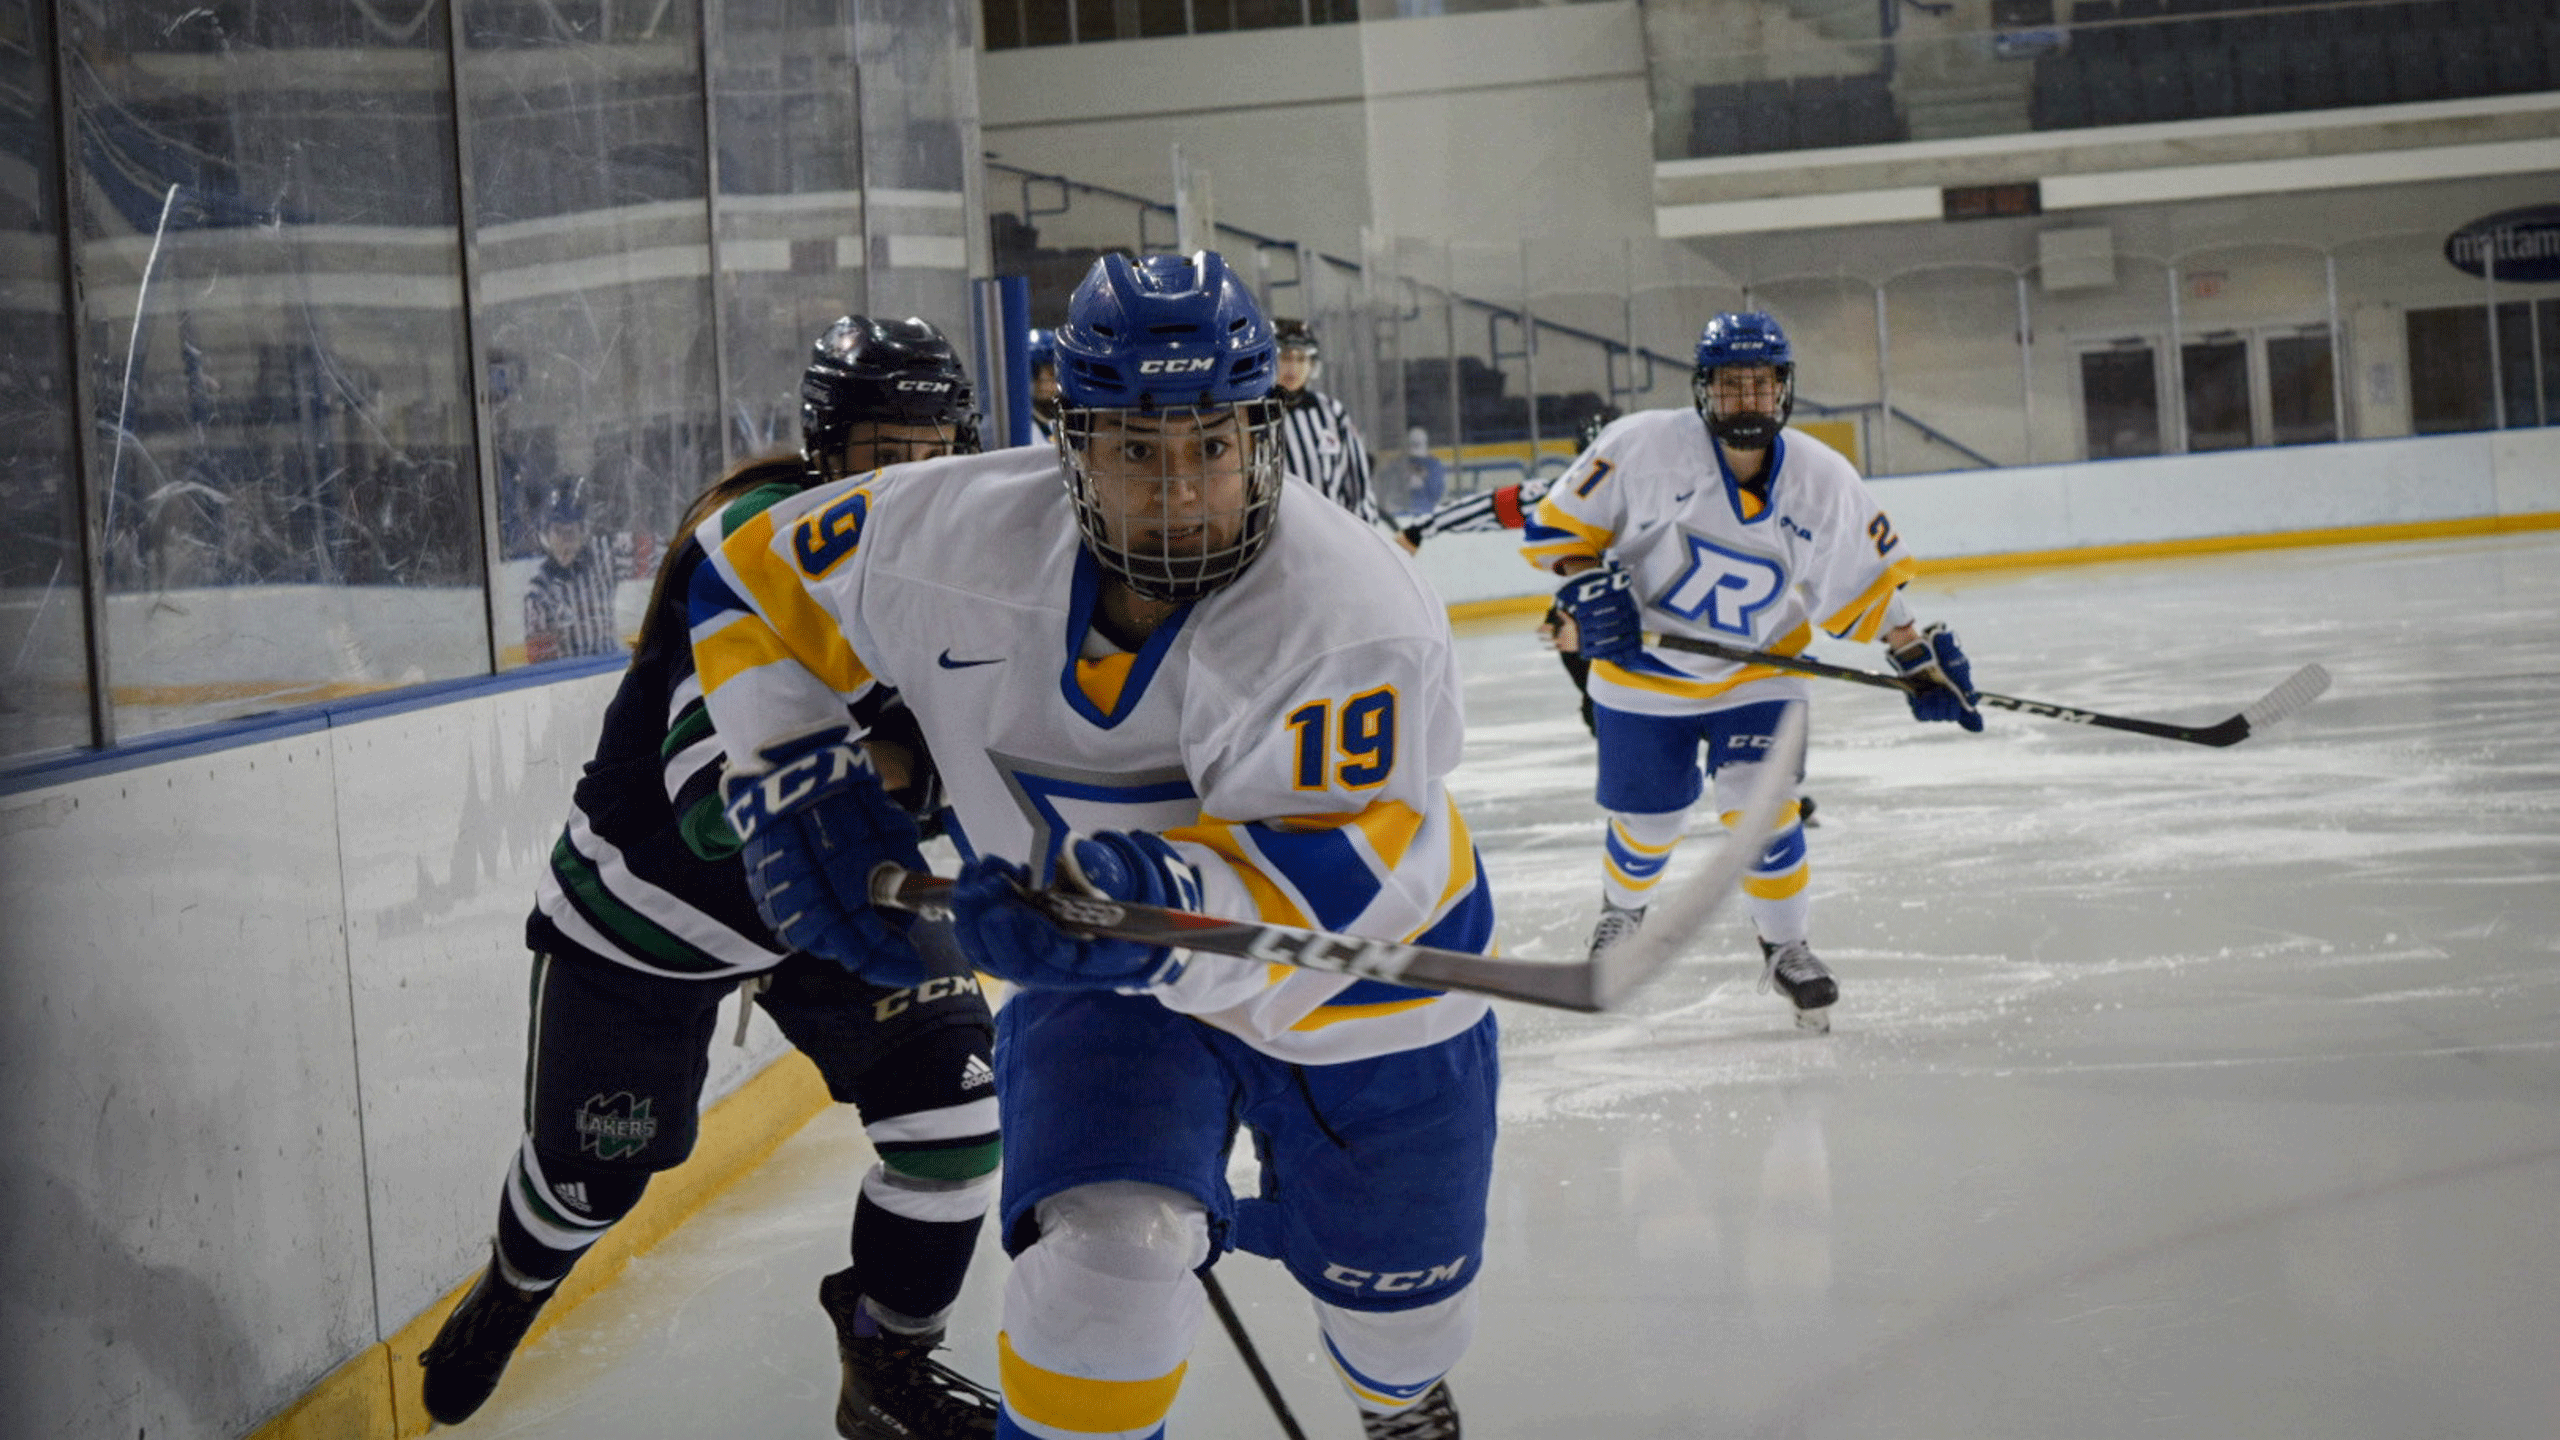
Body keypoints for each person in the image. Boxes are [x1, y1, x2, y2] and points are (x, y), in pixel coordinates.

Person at [688, 250, 1495, 1440]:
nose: (1178, 488)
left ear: (1259, 432)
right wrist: (793, 773)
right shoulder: (951, 534)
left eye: (1211, 445)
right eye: (1135, 450)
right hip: (1099, 981)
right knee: (1097, 1282)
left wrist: (1146, 903)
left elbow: (1338, 886)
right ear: (1068, 437)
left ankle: (1394, 1391)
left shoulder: (1350, 610)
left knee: (1399, 1323)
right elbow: (743, 576)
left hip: (1360, 994)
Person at [420, 315, 1004, 1440]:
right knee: (591, 1182)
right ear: (830, 452)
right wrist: (907, 773)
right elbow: (712, 813)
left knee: (958, 1121)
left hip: (833, 909)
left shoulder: (965, 568)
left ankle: (887, 1358)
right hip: (648, 917)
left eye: (940, 453)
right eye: (891, 454)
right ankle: (514, 1286)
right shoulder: (756, 544)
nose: (919, 482)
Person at [1522, 311, 1981, 1030]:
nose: (1747, 399)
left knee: (1763, 812)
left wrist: (1914, 654)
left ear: (1783, 391)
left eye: (1761, 385)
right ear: (1705, 390)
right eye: (1731, 385)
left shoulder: (1822, 477)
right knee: (1648, 823)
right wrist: (1584, 582)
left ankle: (1787, 946)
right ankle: (1623, 911)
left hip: (1760, 676)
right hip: (1643, 674)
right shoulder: (1642, 445)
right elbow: (1558, 532)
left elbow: (1864, 583)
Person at [1400, 412, 1616, 734]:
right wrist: (1420, 529)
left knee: (1618, 710)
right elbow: (1489, 507)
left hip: (1620, 622)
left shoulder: (1644, 499)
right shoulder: (1557, 496)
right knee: (1606, 711)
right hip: (1588, 620)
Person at [1270, 317, 1384, 525]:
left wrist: (1366, 537)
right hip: (1281, 539)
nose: (1293, 367)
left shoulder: (1331, 412)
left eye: (1302, 359)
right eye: (1285, 357)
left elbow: (1359, 490)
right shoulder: (1253, 416)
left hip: (1333, 535)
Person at [522, 481, 629, 661]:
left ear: (583, 532)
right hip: (569, 679)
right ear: (546, 535)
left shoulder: (605, 555)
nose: (566, 541)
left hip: (610, 667)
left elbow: (662, 555)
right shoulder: (537, 592)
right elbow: (541, 667)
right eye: (558, 531)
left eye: (571, 532)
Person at [1398, 426, 1449, 514]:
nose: (1416, 462)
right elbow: (1391, 493)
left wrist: (1425, 478)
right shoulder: (1399, 463)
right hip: (1402, 512)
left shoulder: (1434, 465)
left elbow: (1437, 494)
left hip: (1426, 512)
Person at [1027, 327, 1061, 444]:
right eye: (1035, 371)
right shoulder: (1017, 428)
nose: (1044, 381)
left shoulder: (1076, 421)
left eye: (1052, 371)